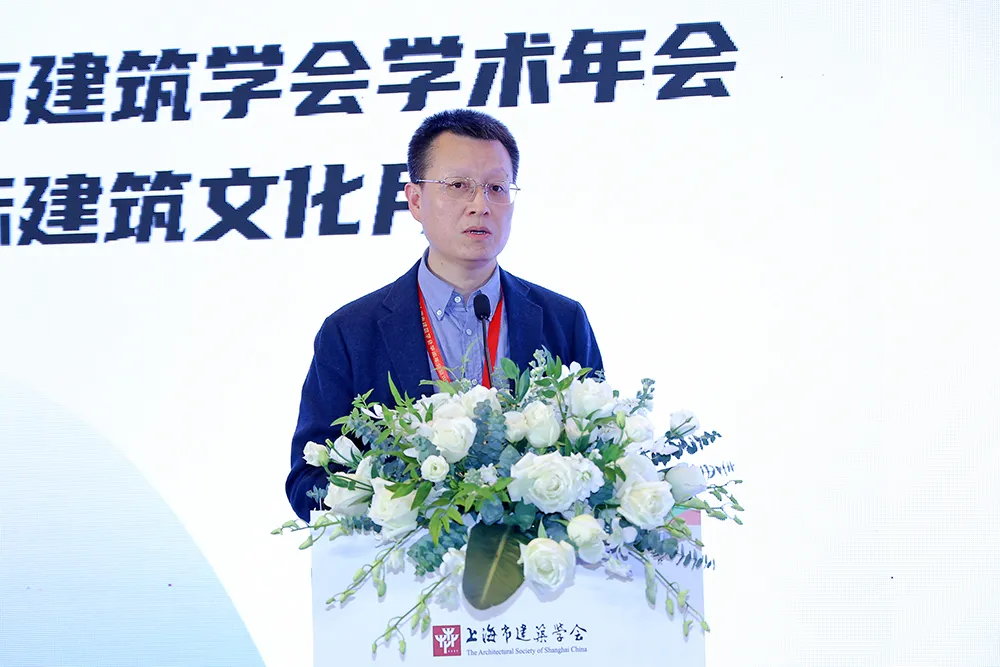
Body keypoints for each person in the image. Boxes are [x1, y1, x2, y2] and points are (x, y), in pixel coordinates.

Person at [285, 109, 604, 521]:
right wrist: (394, 506)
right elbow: (309, 481)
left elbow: (600, 452)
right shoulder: (350, 332)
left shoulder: (563, 321)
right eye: (458, 186)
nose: (480, 205)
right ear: (415, 200)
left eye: (496, 188)